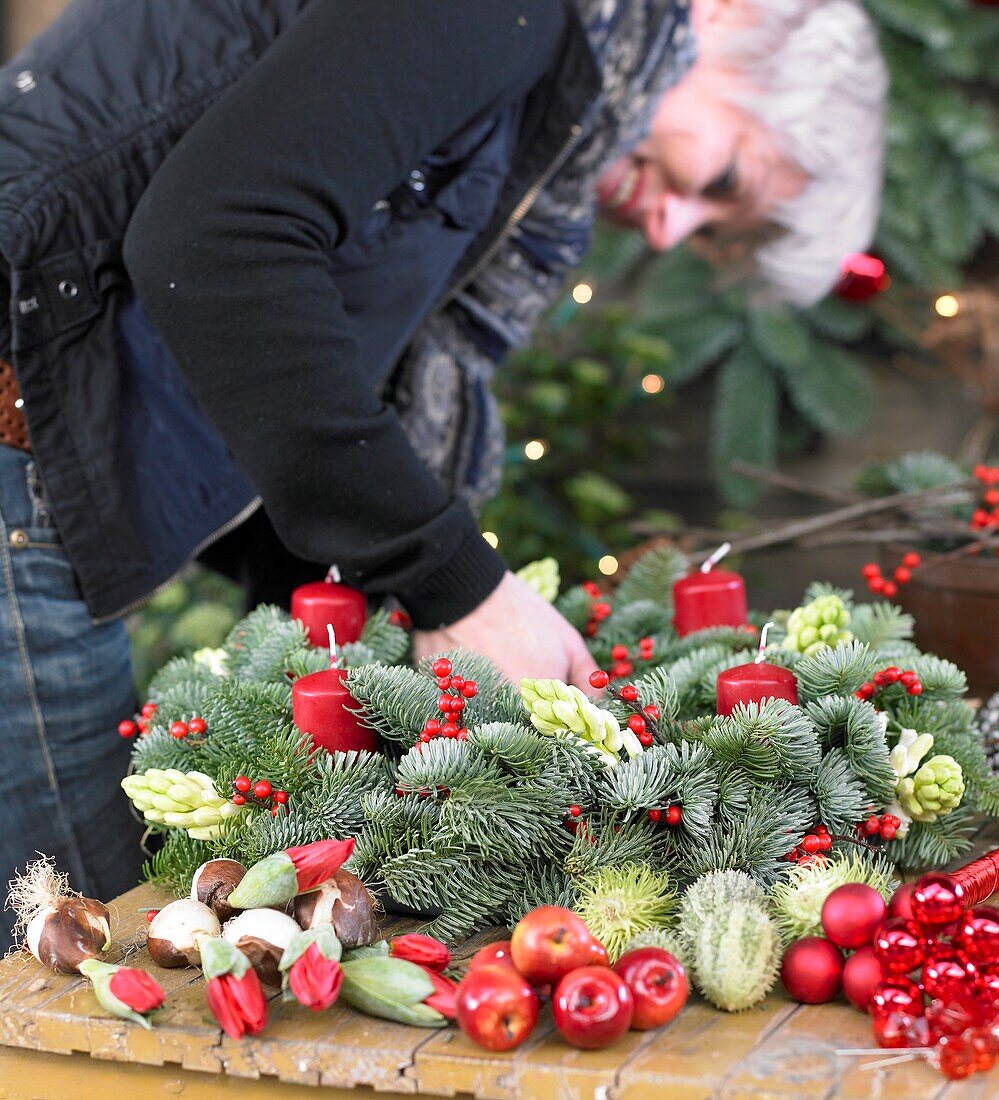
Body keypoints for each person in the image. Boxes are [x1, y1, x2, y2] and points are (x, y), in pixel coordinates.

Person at [0, 0, 886, 946]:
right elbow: (213, 247)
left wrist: (371, 644)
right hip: (27, 433)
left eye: (710, 230)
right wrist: (458, 583)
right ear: (736, 17)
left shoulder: (535, 102)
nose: (670, 231)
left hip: (49, 452)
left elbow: (281, 354)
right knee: (87, 968)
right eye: (722, 179)